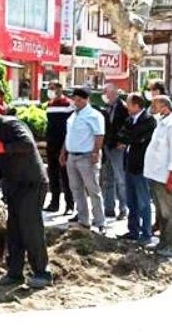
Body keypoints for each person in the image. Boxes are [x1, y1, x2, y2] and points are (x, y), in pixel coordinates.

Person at [0, 104, 51, 289]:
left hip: (31, 184)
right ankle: (15, 273)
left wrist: (4, 148)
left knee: (31, 229)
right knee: (14, 231)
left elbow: (27, 145)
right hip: (14, 186)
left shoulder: (11, 124)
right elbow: (0, 164)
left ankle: (42, 273)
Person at [143, 94, 172, 259]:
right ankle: (164, 242)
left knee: (169, 212)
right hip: (156, 175)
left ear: (164, 107)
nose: (151, 107)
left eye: (155, 104)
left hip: (165, 176)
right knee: (161, 213)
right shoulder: (161, 123)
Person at [60, 87, 105, 231]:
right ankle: (83, 219)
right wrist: (63, 152)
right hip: (72, 155)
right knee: (76, 189)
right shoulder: (73, 115)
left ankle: (100, 221)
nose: (76, 102)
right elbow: (69, 135)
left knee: (93, 190)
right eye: (75, 100)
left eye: (79, 100)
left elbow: (99, 135)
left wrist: (95, 152)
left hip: (87, 156)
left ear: (86, 100)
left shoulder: (94, 115)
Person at [118, 93, 156, 242]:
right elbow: (122, 134)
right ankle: (133, 230)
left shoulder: (148, 120)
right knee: (131, 201)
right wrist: (127, 138)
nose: (126, 107)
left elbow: (136, 137)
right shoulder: (129, 119)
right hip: (129, 164)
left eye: (128, 104)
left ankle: (146, 233)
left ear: (136, 105)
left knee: (143, 202)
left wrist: (129, 138)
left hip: (141, 166)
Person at [43, 82, 74, 214]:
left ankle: (69, 204)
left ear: (60, 90)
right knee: (53, 174)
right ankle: (54, 203)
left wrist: (65, 147)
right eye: (49, 89)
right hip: (51, 144)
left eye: (52, 89)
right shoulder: (49, 104)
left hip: (63, 144)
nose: (50, 91)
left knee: (66, 176)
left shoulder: (68, 104)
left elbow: (69, 126)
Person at [100, 81, 129, 220]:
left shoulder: (122, 108)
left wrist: (122, 141)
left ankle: (123, 208)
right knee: (107, 178)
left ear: (113, 93)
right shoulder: (106, 107)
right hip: (107, 146)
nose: (103, 94)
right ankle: (108, 208)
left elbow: (127, 125)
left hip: (117, 147)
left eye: (106, 91)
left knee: (120, 179)